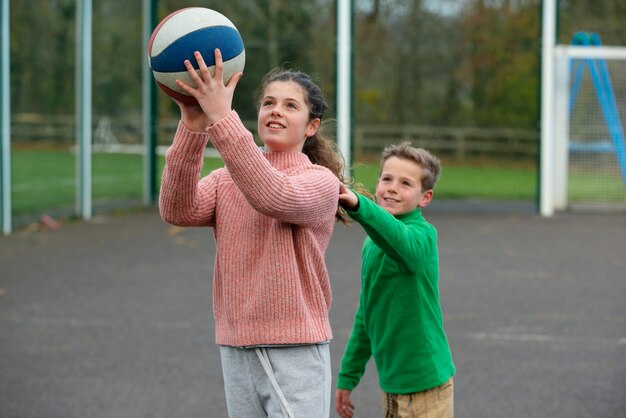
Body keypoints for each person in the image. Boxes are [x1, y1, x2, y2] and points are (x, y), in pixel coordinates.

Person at [159, 49, 347, 418]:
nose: (276, 110)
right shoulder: (226, 179)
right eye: (268, 103)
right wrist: (193, 128)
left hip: (294, 348)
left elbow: (272, 195)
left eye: (291, 106)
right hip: (235, 344)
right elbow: (177, 209)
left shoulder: (319, 181)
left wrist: (223, 119)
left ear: (312, 126)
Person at [334, 142, 455, 418]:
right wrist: (347, 376)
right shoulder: (371, 245)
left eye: (405, 183)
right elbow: (367, 312)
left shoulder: (423, 235)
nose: (392, 188)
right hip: (391, 384)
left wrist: (359, 205)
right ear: (377, 184)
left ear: (425, 198)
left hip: (427, 386)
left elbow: (403, 244)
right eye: (387, 179)